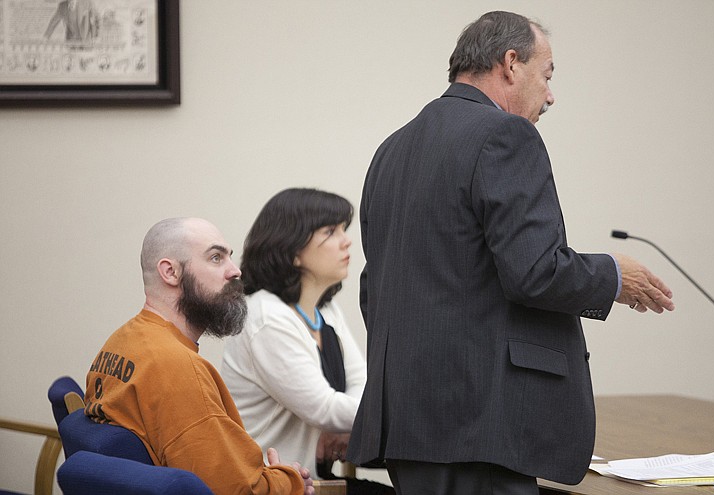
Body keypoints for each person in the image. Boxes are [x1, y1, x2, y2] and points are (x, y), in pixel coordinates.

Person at [347, 11, 675, 495]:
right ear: (510, 63)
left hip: (408, 424)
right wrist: (612, 276)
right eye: (547, 75)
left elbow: (376, 289)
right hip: (479, 425)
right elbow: (535, 272)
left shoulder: (390, 150)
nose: (550, 95)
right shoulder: (506, 135)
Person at [84, 217, 314, 495]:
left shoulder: (120, 342)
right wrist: (290, 482)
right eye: (216, 258)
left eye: (230, 257)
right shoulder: (178, 368)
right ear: (170, 272)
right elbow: (233, 491)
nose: (235, 271)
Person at [221, 188, 394, 495]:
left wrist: (348, 424)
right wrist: (390, 414)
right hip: (269, 486)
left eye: (344, 229)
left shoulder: (325, 310)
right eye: (330, 231)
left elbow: (362, 387)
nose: (347, 240)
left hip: (311, 479)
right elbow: (324, 408)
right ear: (293, 251)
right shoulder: (266, 317)